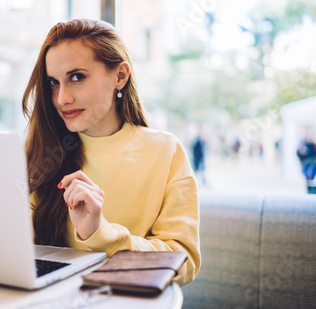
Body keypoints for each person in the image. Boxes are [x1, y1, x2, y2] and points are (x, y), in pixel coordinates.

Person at [21, 19, 200, 285]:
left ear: (120, 76)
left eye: (77, 77)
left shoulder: (165, 151)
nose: (62, 99)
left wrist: (101, 233)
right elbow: (13, 249)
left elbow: (184, 261)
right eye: (53, 82)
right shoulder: (39, 149)